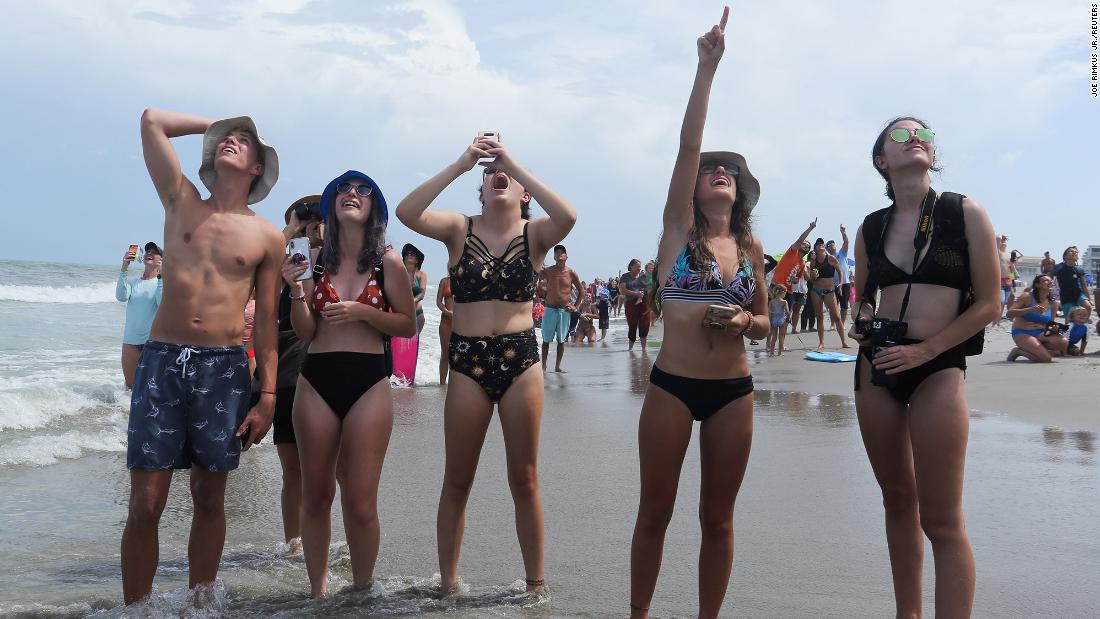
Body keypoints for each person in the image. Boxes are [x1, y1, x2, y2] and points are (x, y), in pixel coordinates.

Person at [629, 9, 769, 618]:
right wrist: (705, 69)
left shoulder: (751, 249)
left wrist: (743, 323)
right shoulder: (676, 233)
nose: (721, 172)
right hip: (673, 387)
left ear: (740, 193)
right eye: (714, 170)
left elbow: (765, 322)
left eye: (731, 173)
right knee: (655, 512)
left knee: (718, 519)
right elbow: (689, 145)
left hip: (734, 391)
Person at [395, 132, 576, 595]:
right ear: (480, 189)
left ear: (522, 189)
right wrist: (461, 162)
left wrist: (513, 163)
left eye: (507, 175)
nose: (498, 176)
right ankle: (448, 584)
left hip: (520, 361)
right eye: (490, 174)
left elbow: (569, 215)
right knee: (457, 478)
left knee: (526, 479)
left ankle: (536, 585)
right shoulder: (460, 228)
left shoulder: (536, 234)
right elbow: (406, 212)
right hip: (468, 362)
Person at [122, 111, 284, 605]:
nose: (231, 142)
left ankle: (201, 604)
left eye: (243, 142)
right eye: (225, 140)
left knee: (209, 498)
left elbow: (269, 321)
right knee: (146, 503)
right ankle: (136, 611)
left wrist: (269, 396)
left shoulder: (267, 237)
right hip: (163, 360)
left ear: (257, 168)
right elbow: (152, 121)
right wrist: (216, 124)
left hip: (224, 367)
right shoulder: (181, 199)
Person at [851, 116, 999, 618]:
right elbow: (864, 297)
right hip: (877, 366)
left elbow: (990, 305)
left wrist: (925, 351)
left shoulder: (965, 213)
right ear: (881, 161)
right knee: (897, 500)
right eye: (899, 135)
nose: (915, 138)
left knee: (942, 519)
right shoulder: (872, 226)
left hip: (938, 365)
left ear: (933, 155)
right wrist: (864, 318)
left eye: (924, 135)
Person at [282, 170, 416, 598]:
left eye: (361, 190)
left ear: (374, 205)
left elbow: (407, 324)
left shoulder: (388, 261)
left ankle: (362, 589)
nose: (351, 194)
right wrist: (297, 291)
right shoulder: (314, 258)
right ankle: (318, 591)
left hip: (368, 381)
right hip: (316, 379)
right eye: (342, 189)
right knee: (316, 496)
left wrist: (362, 312)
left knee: (360, 503)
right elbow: (304, 331)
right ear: (330, 207)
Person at [267, 194, 325, 553]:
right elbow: (261, 299)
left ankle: (333, 538)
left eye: (319, 222)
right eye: (303, 225)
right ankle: (294, 544)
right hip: (288, 362)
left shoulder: (342, 259)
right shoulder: (280, 261)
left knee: (333, 467)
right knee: (292, 468)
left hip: (326, 360)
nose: (312, 229)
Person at [116, 242, 163, 389]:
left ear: (161, 260)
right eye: (148, 250)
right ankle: (123, 413)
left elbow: (161, 302)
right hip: (130, 341)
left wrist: (162, 275)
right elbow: (121, 296)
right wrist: (124, 267)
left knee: (149, 387)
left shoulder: (161, 282)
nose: (149, 253)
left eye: (154, 252)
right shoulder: (133, 282)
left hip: (151, 343)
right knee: (130, 388)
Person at [539, 245, 583, 372]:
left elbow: (581, 291)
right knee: (546, 339)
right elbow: (541, 290)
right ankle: (543, 366)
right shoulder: (547, 271)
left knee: (561, 340)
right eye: (557, 253)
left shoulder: (571, 272)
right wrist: (542, 287)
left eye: (562, 253)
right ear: (553, 257)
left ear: (566, 256)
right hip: (549, 308)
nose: (559, 254)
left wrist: (575, 306)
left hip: (564, 310)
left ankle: (557, 366)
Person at [1006, 275, 1066, 362]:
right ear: (1037, 285)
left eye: (1051, 281)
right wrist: (1031, 309)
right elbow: (1009, 314)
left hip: (1041, 332)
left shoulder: (1054, 303)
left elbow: (1050, 323)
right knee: (1046, 358)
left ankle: (1038, 349)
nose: (1050, 282)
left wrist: (1052, 328)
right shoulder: (1027, 296)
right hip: (1022, 332)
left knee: (1063, 342)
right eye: (1046, 280)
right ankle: (1018, 351)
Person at [772, 220, 815, 333]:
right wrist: (810, 228)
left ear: (808, 250)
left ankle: (782, 341)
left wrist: (794, 279)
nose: (805, 245)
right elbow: (800, 239)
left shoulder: (802, 264)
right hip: (776, 285)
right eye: (804, 243)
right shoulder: (792, 252)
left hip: (788, 290)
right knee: (773, 313)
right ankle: (769, 343)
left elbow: (797, 280)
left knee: (787, 314)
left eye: (808, 246)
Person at [807, 238, 851, 349]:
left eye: (822, 244)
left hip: (830, 291)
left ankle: (844, 342)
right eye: (818, 244)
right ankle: (821, 342)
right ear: (815, 249)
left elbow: (840, 271)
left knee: (836, 316)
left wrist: (840, 283)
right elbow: (811, 280)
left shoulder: (831, 258)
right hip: (816, 290)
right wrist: (813, 275)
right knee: (819, 317)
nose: (820, 245)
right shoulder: (813, 262)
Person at [1051, 246, 1093, 318]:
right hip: (1066, 296)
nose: (1074, 252)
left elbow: (1084, 286)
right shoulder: (1059, 267)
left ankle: (1084, 321)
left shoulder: (1079, 269)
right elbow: (1048, 277)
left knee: (1088, 307)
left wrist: (1089, 299)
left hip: (1079, 294)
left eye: (1076, 252)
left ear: (1077, 257)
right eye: (1071, 251)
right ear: (1064, 256)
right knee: (1068, 318)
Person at [620, 259, 651, 351]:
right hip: (631, 304)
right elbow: (623, 290)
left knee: (644, 325)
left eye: (639, 267)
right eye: (637, 266)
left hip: (644, 303)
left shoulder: (643, 276)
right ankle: (630, 349)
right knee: (632, 325)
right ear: (631, 267)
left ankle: (644, 349)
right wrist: (636, 294)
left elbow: (649, 288)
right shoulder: (625, 276)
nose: (639, 268)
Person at [827, 225, 851, 325]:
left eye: (833, 243)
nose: (832, 244)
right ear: (827, 248)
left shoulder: (842, 253)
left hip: (845, 283)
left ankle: (842, 324)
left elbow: (846, 242)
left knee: (844, 305)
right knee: (833, 305)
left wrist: (843, 232)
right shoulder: (827, 258)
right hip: (832, 285)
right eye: (829, 244)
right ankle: (833, 324)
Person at [403, 243, 428, 334]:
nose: (409, 255)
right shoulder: (399, 272)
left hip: (417, 311)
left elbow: (422, 294)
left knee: (414, 339)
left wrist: (412, 301)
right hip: (400, 309)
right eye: (407, 254)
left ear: (417, 260)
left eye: (412, 254)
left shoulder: (421, 274)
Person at [437, 275, 454, 384]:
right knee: (445, 354)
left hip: (463, 322)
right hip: (446, 321)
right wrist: (447, 312)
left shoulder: (466, 280)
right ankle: (442, 384)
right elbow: (438, 301)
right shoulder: (445, 281)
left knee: (459, 355)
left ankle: (455, 384)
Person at [994, 234, 1012, 326]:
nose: (1004, 241)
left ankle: (998, 320)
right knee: (1001, 301)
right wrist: (1002, 236)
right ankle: (995, 319)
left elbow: (1012, 269)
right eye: (1003, 240)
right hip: (999, 280)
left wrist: (1013, 281)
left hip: (1008, 281)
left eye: (1005, 240)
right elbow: (997, 238)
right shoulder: (997, 252)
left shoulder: (1009, 255)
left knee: (1004, 302)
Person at [767, 285, 790, 356]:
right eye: (785, 293)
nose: (785, 295)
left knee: (774, 337)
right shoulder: (784, 302)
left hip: (774, 320)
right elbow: (787, 312)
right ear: (782, 292)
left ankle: (771, 352)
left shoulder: (771, 302)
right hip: (781, 320)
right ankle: (779, 352)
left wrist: (770, 321)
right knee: (781, 337)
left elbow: (770, 312)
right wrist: (787, 319)